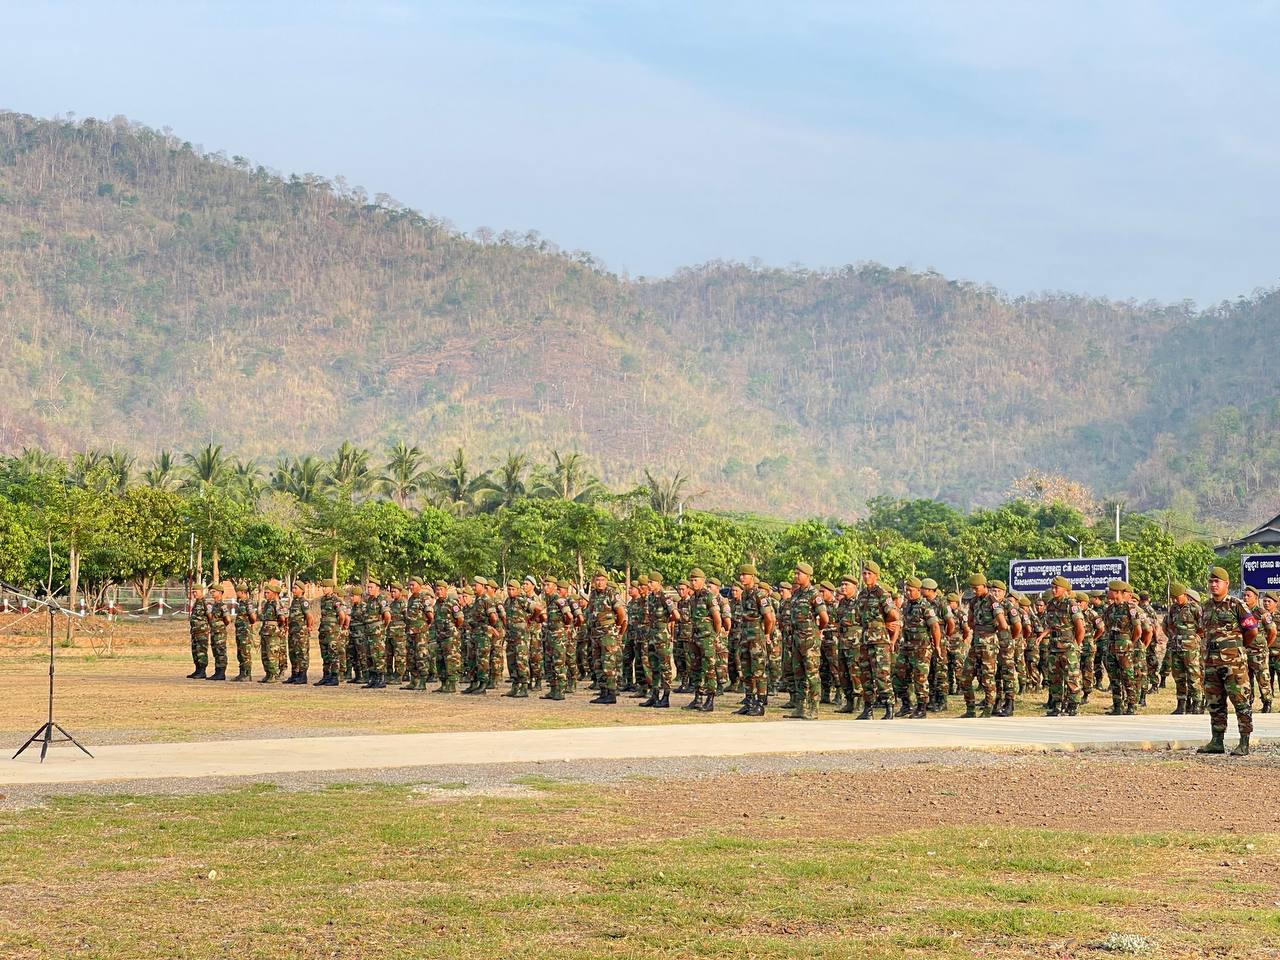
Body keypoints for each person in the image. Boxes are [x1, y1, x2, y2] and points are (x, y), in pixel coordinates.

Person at [1197, 566, 1256, 756]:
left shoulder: (1236, 605)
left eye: (1217, 582)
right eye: (1211, 581)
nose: (1213, 585)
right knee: (1215, 703)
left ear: (1226, 584)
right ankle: (1217, 741)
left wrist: (1237, 650)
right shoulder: (1205, 607)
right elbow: (1202, 632)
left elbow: (1252, 631)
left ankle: (1244, 742)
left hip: (1234, 665)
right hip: (1212, 664)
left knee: (1240, 702)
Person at [854, 561, 898, 720]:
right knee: (865, 674)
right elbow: (859, 617)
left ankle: (889, 708)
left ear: (876, 576)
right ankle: (868, 709)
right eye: (864, 573)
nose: (866, 576)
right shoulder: (862, 594)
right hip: (866, 639)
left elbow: (894, 614)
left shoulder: (882, 593)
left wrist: (883, 624)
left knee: (882, 675)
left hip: (879, 641)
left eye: (869, 574)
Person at [788, 562, 829, 720]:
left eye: (799, 574)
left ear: (807, 576)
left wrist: (818, 630)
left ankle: (814, 708)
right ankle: (800, 707)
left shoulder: (814, 594)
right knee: (798, 673)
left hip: (809, 640)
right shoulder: (797, 594)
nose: (796, 576)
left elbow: (824, 618)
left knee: (812, 674)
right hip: (797, 639)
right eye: (796, 573)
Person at [1039, 576, 1085, 716]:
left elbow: (1080, 628)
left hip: (1068, 648)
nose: (1053, 590)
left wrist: (1075, 644)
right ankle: (1057, 705)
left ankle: (1073, 704)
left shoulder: (1072, 605)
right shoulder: (1051, 604)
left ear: (1065, 589)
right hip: (1053, 648)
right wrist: (1043, 635)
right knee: (1055, 678)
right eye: (1052, 587)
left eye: (1056, 588)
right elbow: (1051, 624)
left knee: (1072, 677)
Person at [733, 564, 775, 717]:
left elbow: (769, 619)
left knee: (759, 671)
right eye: (741, 574)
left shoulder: (760, 595)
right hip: (745, 637)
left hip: (757, 637)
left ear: (752, 576)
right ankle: (749, 702)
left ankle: (760, 704)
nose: (741, 577)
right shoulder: (744, 594)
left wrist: (765, 634)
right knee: (746, 670)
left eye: (745, 575)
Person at [961, 574, 1004, 718]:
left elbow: (1003, 624)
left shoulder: (993, 601)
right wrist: (978, 628)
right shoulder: (974, 602)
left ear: (984, 586)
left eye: (976, 588)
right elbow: (971, 621)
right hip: (976, 643)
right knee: (965, 677)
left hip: (988, 645)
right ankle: (970, 709)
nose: (974, 591)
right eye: (972, 589)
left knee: (988, 678)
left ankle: (988, 709)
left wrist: (990, 630)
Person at [683, 568, 723, 711]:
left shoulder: (708, 596)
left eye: (696, 580)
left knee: (709, 669)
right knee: (695, 668)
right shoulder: (693, 598)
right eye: (691, 580)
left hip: (707, 639)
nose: (693, 583)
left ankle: (710, 699)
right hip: (695, 638)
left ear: (703, 581)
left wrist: (714, 636)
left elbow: (717, 619)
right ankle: (697, 698)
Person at [585, 569, 628, 705]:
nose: (599, 582)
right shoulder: (592, 594)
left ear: (606, 581)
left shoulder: (611, 593)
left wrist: (616, 626)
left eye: (602, 580)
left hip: (608, 634)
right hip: (595, 634)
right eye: (597, 580)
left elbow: (621, 613)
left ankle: (611, 693)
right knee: (597, 664)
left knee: (608, 664)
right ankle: (603, 692)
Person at [1163, 582, 1202, 714]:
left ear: (1184, 595)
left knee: (1193, 675)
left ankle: (1197, 703)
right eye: (1173, 598)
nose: (1175, 600)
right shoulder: (1173, 608)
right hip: (1176, 647)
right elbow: (1168, 625)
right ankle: (1181, 705)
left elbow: (1204, 626)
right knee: (1178, 677)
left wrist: (1197, 637)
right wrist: (1173, 636)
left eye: (1177, 597)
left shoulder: (1194, 608)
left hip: (1191, 648)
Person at [315, 579, 346, 687]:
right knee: (325, 654)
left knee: (333, 654)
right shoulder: (323, 600)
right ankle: (326, 676)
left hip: (333, 631)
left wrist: (338, 626)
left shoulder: (336, 600)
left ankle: (334, 676)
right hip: (323, 630)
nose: (323, 589)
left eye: (325, 587)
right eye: (322, 587)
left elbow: (342, 615)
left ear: (331, 588)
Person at [206, 582, 233, 681]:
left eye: (214, 591)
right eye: (211, 591)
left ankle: (221, 672)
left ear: (220, 593)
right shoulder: (213, 605)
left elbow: (228, 619)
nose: (212, 593)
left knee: (221, 651)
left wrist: (220, 626)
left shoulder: (222, 605)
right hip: (214, 631)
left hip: (220, 632)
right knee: (215, 651)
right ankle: (217, 671)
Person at [231, 583, 256, 682]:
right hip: (240, 632)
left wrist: (249, 625)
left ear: (242, 592)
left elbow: (253, 617)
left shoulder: (247, 603)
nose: (236, 593)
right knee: (240, 652)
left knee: (245, 652)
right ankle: (242, 673)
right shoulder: (241, 602)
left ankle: (247, 674)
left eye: (237, 591)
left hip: (245, 632)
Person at [187, 583, 212, 679]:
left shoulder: (205, 603)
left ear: (201, 592)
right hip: (195, 632)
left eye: (196, 592)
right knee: (195, 651)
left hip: (202, 632)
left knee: (201, 651)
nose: (194, 594)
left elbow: (210, 617)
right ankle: (197, 670)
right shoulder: (196, 603)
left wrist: (205, 627)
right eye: (193, 592)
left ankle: (202, 671)